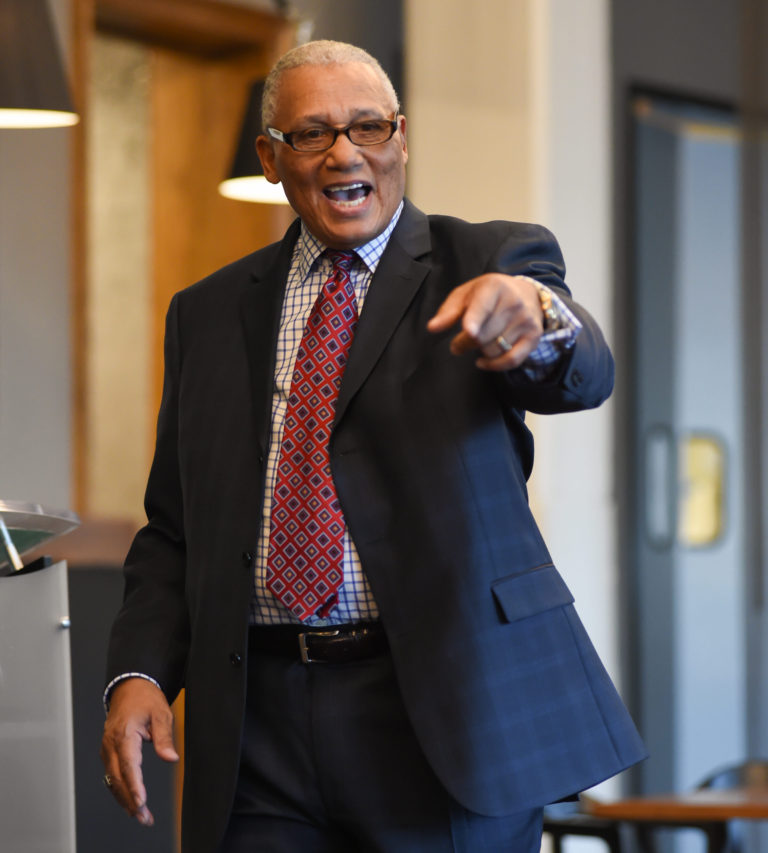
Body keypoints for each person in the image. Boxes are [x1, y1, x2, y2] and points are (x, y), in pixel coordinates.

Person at [101, 39, 645, 853]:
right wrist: (139, 671)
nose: (345, 152)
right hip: (258, 721)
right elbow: (173, 530)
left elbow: (582, 373)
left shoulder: (486, 258)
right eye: (312, 134)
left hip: (437, 708)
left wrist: (538, 318)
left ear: (401, 137)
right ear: (271, 157)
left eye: (368, 127)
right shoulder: (206, 312)